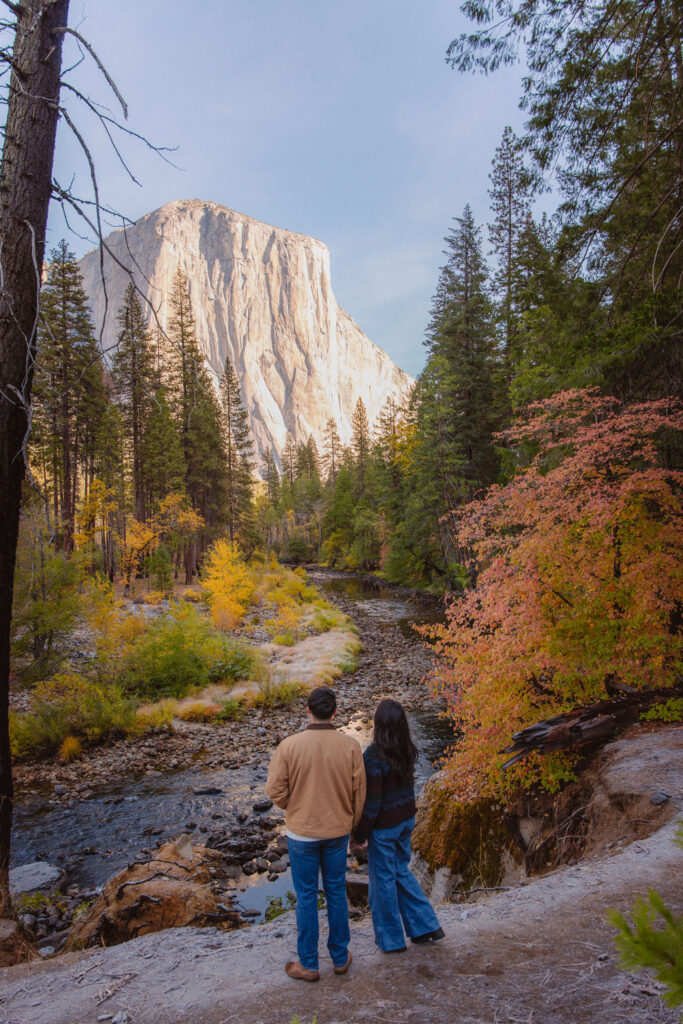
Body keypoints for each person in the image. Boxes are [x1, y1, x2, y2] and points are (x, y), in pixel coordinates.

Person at [265, 685, 366, 981]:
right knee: (336, 891)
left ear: (308, 710)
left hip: (302, 833)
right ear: (335, 712)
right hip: (336, 831)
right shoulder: (349, 746)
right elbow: (359, 793)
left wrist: (292, 805)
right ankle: (339, 956)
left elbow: (273, 790)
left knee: (306, 896)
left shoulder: (289, 746)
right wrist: (355, 827)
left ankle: (308, 963)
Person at [352, 698, 444, 953]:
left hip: (385, 828)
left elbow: (373, 802)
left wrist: (360, 833)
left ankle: (391, 941)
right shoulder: (407, 747)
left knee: (383, 882)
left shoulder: (374, 755)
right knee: (400, 871)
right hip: (406, 820)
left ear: (379, 724)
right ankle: (426, 926)